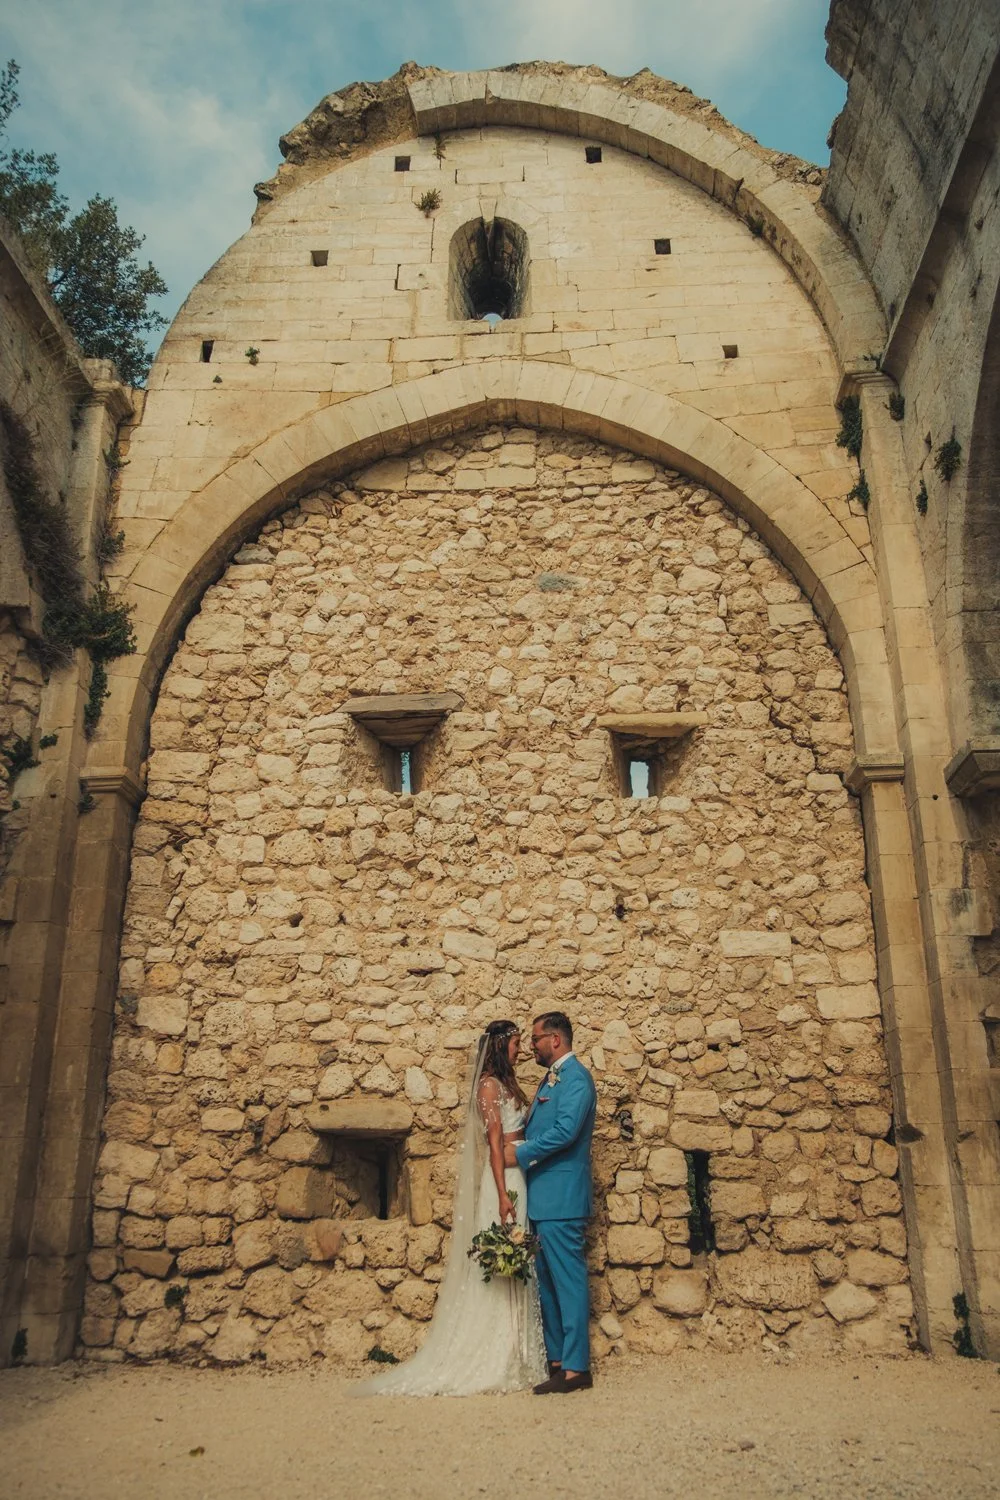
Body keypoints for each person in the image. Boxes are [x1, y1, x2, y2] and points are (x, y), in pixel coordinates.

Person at [354, 1019, 547, 1396]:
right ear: (500, 1046)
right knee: (505, 1260)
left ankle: (519, 1352)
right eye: (516, 1044)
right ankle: (499, 1353)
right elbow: (493, 1144)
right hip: (503, 1180)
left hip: (519, 1173)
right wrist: (502, 1193)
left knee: (520, 1260)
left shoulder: (510, 1085)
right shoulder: (488, 1086)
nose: (520, 1050)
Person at [506, 1010, 597, 1395]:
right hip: (543, 1200)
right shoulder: (552, 1078)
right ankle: (558, 1361)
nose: (531, 1046)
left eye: (536, 1039)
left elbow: (564, 1132)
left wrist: (520, 1154)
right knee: (548, 1284)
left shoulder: (576, 1079)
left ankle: (577, 1368)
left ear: (555, 1040)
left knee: (569, 1282)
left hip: (562, 1199)